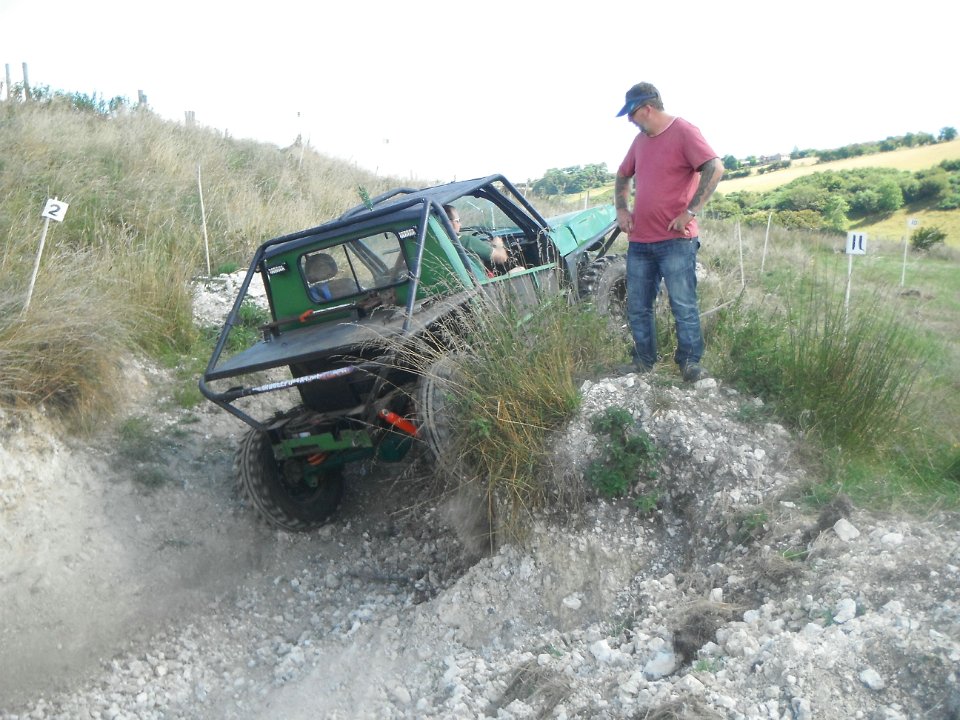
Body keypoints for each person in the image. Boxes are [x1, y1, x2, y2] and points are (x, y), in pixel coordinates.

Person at [613, 82, 724, 382]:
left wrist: (690, 212)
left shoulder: (684, 131)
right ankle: (643, 362)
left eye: (632, 113)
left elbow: (715, 167)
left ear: (647, 109)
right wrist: (622, 210)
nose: (630, 120)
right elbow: (623, 174)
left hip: (676, 242)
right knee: (638, 306)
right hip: (640, 241)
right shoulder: (639, 143)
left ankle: (690, 365)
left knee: (683, 305)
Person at [443, 204, 510, 268]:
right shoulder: (468, 242)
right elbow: (502, 258)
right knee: (520, 269)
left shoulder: (440, 245)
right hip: (481, 280)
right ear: (449, 223)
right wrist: (498, 245)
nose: (460, 224)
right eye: (457, 221)